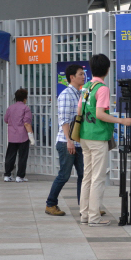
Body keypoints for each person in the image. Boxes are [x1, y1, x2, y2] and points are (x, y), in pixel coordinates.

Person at [78, 54, 131, 227]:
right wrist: (122, 121)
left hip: (84, 135)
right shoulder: (102, 88)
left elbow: (80, 109)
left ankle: (84, 214)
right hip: (98, 136)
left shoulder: (86, 86)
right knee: (98, 177)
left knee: (87, 176)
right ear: (107, 70)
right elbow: (101, 114)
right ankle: (94, 217)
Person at [45, 65, 86, 216]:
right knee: (64, 175)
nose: (84, 76)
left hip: (78, 142)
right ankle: (50, 204)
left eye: (84, 74)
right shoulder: (66, 95)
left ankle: (85, 207)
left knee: (84, 174)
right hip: (66, 142)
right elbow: (64, 120)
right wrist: (69, 140)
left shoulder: (79, 93)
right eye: (80, 74)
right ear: (72, 77)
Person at [4, 88, 35, 183]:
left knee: (10, 156)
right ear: (25, 98)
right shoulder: (26, 108)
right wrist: (31, 136)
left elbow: (6, 120)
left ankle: (7, 175)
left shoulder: (10, 108)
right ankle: (20, 176)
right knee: (22, 156)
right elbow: (27, 123)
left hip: (12, 136)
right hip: (23, 136)